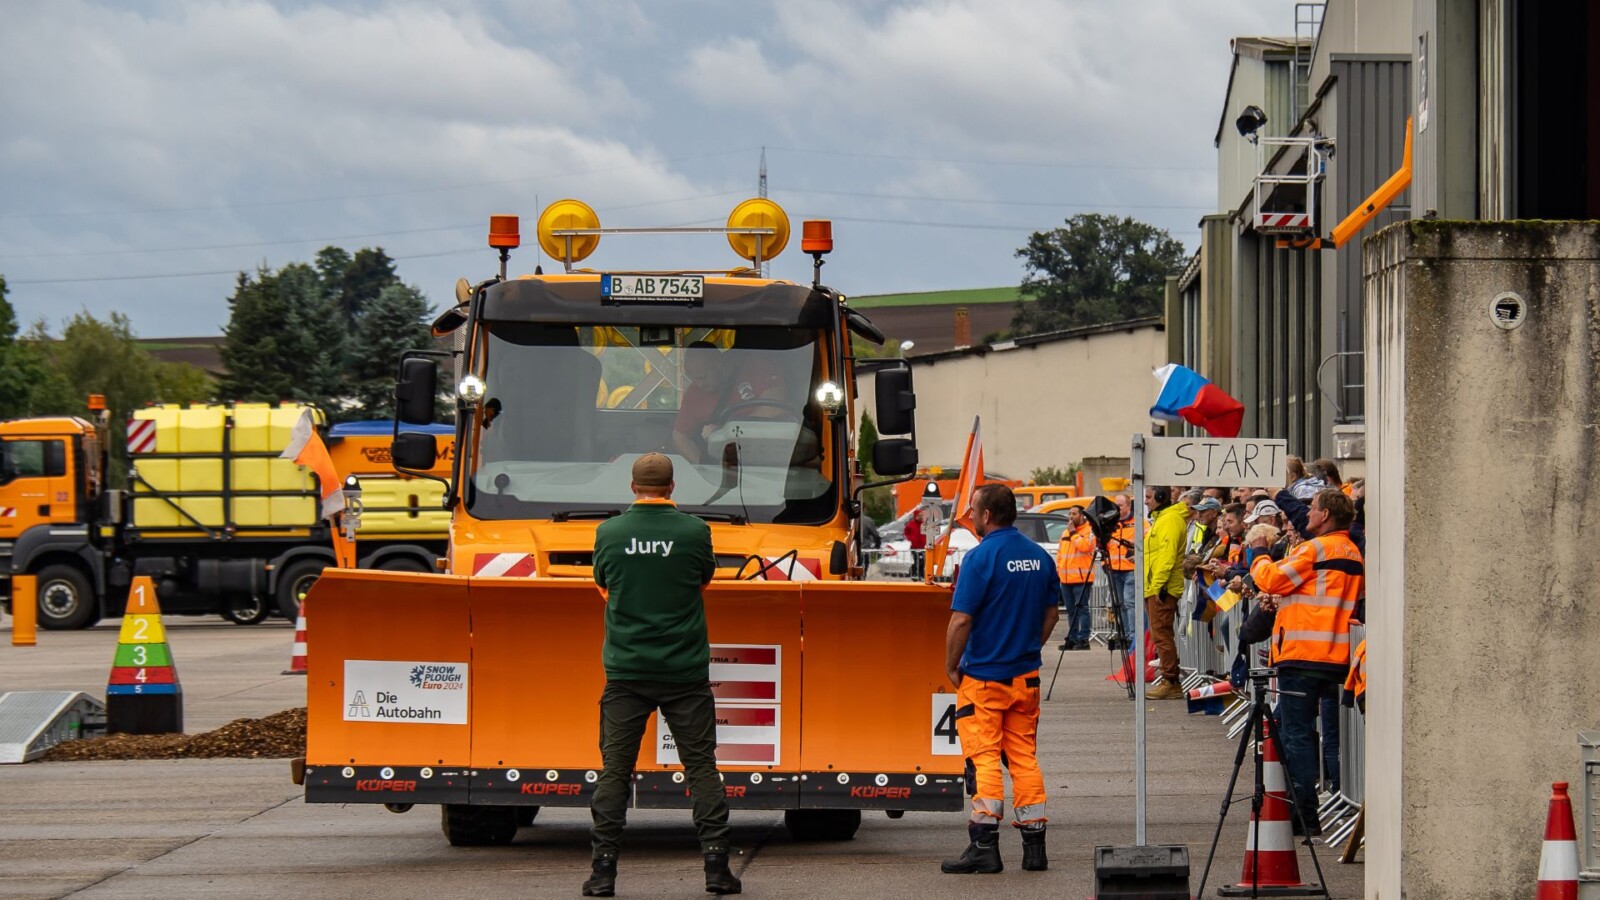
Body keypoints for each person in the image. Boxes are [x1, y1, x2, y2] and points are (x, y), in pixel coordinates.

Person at [584, 453, 741, 897]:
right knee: (701, 768)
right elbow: (703, 581)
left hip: (626, 672)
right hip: (684, 673)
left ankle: (603, 873)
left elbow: (604, 587)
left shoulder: (609, 533)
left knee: (615, 772)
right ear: (672, 488)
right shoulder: (695, 533)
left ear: (633, 488)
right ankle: (716, 868)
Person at [942, 484, 1059, 875]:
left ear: (987, 515)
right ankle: (1034, 848)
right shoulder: (1039, 557)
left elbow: (961, 618)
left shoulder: (980, 558)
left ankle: (984, 846)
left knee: (985, 757)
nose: (971, 517)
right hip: (1025, 677)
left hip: (985, 678)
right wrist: (1027, 648)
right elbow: (1051, 616)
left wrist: (951, 665)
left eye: (973, 511)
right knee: (1024, 757)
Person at [1238, 487, 1363, 837]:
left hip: (1303, 654)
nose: (1307, 515)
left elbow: (1272, 579)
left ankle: (1304, 815)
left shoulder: (1316, 548)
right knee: (1293, 732)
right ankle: (1299, 806)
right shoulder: (1351, 550)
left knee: (1297, 737)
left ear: (1325, 514)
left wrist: (1260, 552)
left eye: (1312, 509)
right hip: (1334, 654)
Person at [671, 341, 785, 464]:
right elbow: (679, 437)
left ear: (719, 364)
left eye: (702, 377)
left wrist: (725, 430)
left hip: (770, 457)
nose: (699, 384)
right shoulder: (694, 394)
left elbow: (774, 408)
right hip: (728, 466)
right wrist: (706, 467)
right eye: (694, 378)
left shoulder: (756, 368)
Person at [1143, 487, 1192, 699]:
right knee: (1160, 634)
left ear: (1161, 497)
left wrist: (1159, 585)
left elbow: (1167, 555)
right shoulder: (1162, 519)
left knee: (1162, 635)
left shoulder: (1170, 520)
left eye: (1148, 497)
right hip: (1155, 585)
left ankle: (1170, 680)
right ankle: (1168, 677)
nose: (1145, 502)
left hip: (1161, 587)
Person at [1055, 506, 1096, 650]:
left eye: (1074, 513)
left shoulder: (1089, 531)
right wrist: (1059, 570)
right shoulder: (1065, 532)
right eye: (1069, 514)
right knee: (1071, 610)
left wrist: (1073, 532)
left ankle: (1083, 639)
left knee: (1082, 609)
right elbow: (1060, 553)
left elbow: (1085, 547)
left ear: (1082, 515)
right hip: (1066, 579)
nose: (1071, 516)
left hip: (1081, 577)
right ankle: (1072, 638)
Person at [1106, 494, 1137, 649]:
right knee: (1119, 604)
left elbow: (1146, 540)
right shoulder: (1111, 523)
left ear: (1128, 506)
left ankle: (1132, 636)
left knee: (1129, 602)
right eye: (1115, 505)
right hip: (1114, 568)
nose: (1117, 508)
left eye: (1121, 505)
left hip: (1131, 568)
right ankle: (1124, 635)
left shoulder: (1139, 522)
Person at [905, 506, 927, 579]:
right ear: (915, 516)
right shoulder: (911, 524)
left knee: (922, 561)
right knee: (917, 561)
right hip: (914, 546)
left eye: (921, 515)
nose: (920, 517)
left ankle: (921, 574)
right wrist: (910, 538)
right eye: (919, 515)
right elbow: (906, 533)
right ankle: (914, 573)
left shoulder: (924, 524)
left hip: (923, 547)